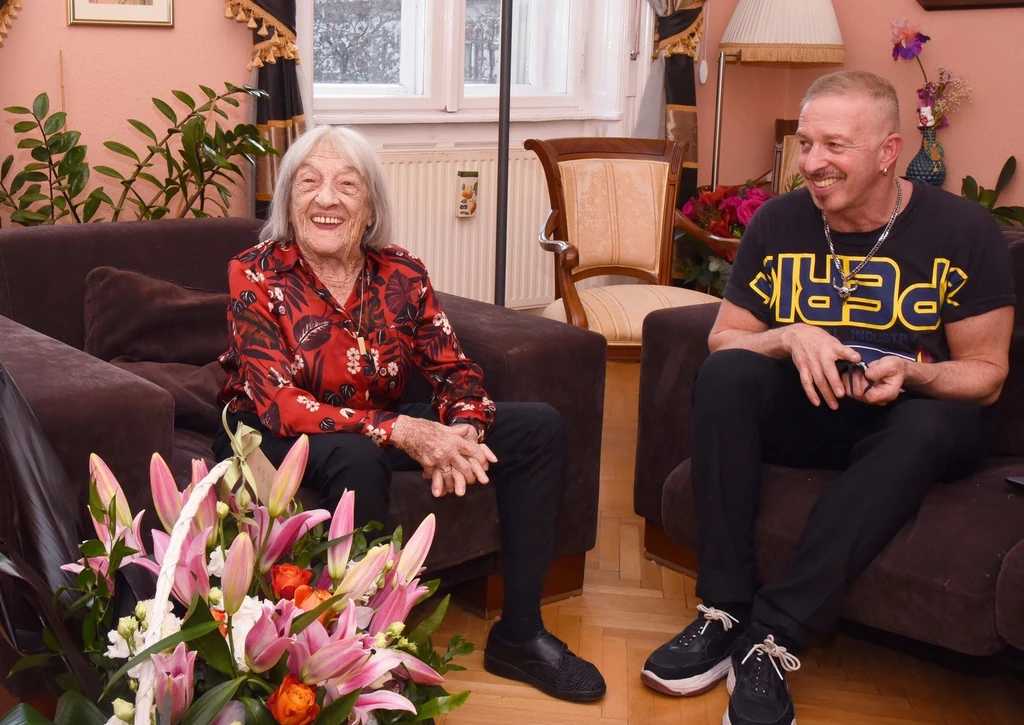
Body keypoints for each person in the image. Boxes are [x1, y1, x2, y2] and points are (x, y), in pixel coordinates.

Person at [641, 70, 1015, 725]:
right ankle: (724, 610)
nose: (813, 163)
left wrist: (914, 371)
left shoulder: (963, 230)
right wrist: (786, 335)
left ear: (888, 150)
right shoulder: (781, 222)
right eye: (807, 144)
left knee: (935, 422)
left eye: (834, 146)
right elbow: (725, 338)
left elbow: (986, 373)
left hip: (906, 418)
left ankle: (774, 635)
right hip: (810, 410)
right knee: (725, 376)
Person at [214, 125, 606, 702]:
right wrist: (403, 431)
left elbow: (456, 372)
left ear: (370, 205)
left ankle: (521, 634)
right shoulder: (255, 272)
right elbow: (279, 402)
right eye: (310, 182)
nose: (327, 198)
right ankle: (359, 657)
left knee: (539, 426)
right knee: (356, 457)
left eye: (347, 185)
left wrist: (462, 432)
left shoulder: (402, 273)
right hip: (274, 435)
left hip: (374, 422)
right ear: (287, 198)